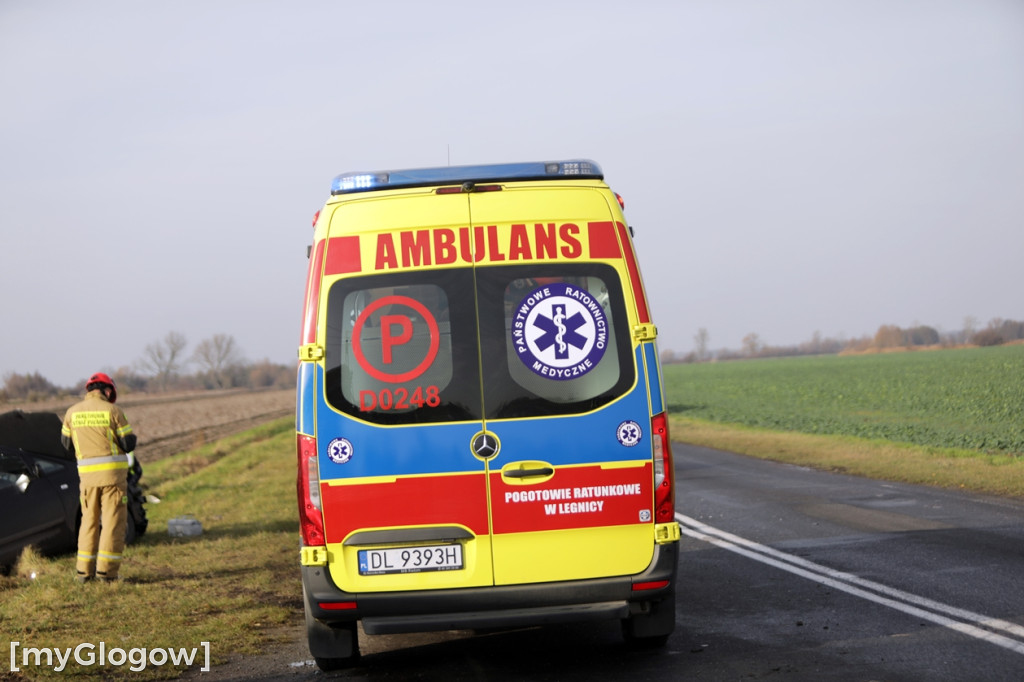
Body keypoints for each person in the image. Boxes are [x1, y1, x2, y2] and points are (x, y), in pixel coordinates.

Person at [61, 372, 137, 583]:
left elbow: (66, 445)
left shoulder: (71, 413)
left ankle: (83, 573)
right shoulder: (113, 411)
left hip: (87, 480)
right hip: (113, 479)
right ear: (108, 390)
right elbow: (129, 444)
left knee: (89, 523)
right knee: (113, 523)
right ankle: (107, 573)